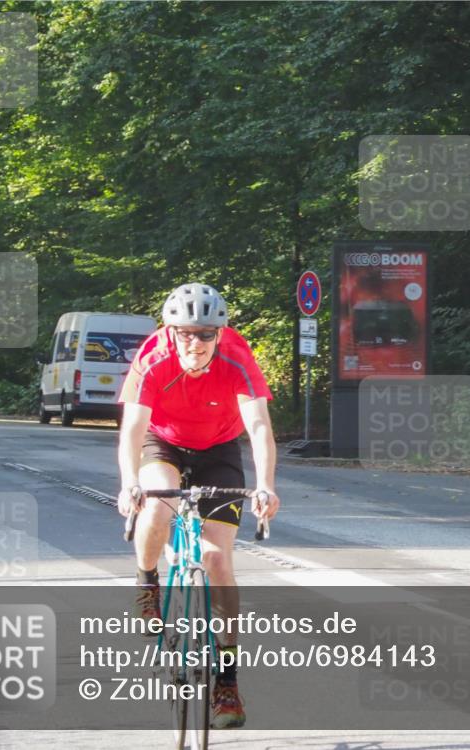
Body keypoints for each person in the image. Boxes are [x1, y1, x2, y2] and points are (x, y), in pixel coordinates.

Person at [116, 282, 280, 729]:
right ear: (171, 332)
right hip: (163, 443)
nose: (196, 342)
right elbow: (133, 429)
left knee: (217, 558)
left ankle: (227, 681)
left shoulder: (237, 357)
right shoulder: (153, 357)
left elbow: (258, 426)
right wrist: (130, 483)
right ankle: (147, 583)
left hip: (219, 449)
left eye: (206, 334)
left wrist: (266, 485)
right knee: (156, 504)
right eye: (186, 333)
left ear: (219, 334)